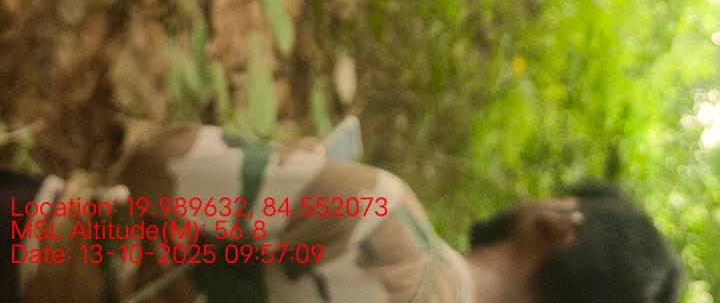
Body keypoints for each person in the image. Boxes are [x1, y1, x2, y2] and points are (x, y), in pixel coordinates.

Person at [1, 122, 681, 303]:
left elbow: (158, 167)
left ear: (558, 227)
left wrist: (276, 166)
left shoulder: (380, 213)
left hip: (34, 258)